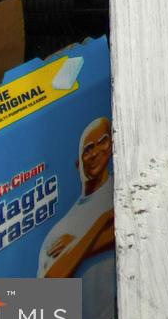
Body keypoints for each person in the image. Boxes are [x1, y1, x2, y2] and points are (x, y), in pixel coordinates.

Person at [39, 116, 114, 280]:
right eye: (87, 149)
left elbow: (122, 230)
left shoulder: (121, 188)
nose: (95, 153)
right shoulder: (59, 232)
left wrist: (75, 247)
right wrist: (103, 219)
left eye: (103, 141)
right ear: (78, 164)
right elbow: (50, 280)